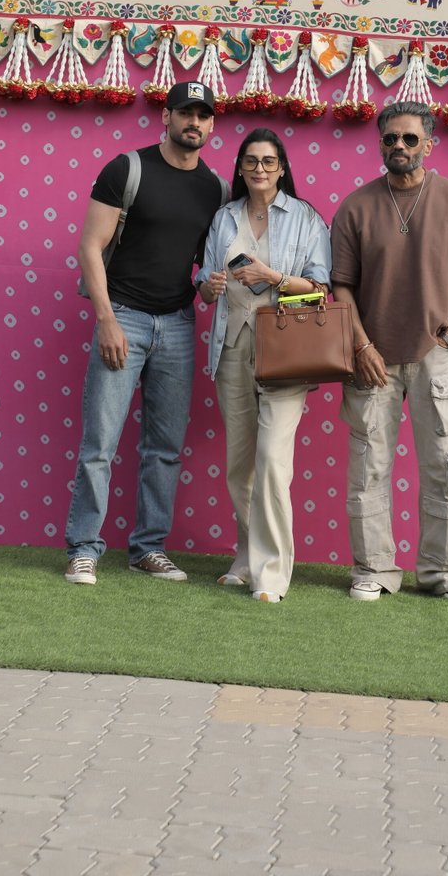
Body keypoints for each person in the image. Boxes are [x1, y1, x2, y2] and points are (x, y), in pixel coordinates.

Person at [330, 100, 448, 606]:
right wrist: (360, 344)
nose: (398, 146)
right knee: (369, 466)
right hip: (370, 356)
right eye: (389, 139)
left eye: (408, 139)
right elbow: (342, 288)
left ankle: (445, 572)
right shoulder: (355, 207)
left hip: (437, 355)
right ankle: (373, 568)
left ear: (428, 143)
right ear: (379, 144)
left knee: (447, 464)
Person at [64, 81, 224, 585]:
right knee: (100, 443)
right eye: (184, 113)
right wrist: (107, 319)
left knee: (165, 448)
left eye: (202, 115)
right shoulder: (126, 169)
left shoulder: (215, 189)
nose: (193, 123)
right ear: (166, 116)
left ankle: (147, 548)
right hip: (125, 317)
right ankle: (84, 548)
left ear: (212, 125)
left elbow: (200, 264)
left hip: (178, 325)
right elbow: (91, 246)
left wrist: (208, 286)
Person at [197, 128, 331, 603]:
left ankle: (271, 574)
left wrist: (272, 276)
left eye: (268, 162)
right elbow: (205, 279)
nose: (259, 169)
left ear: (281, 167)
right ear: (239, 167)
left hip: (284, 352)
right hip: (231, 346)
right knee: (240, 465)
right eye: (251, 161)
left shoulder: (306, 218)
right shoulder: (224, 217)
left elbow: (320, 290)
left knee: (272, 460)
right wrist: (207, 287)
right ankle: (246, 557)